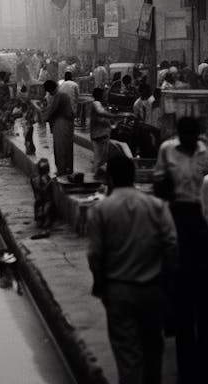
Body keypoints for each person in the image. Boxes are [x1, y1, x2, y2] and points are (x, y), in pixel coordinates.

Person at [87, 152, 178, 384]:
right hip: (153, 289)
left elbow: (95, 255)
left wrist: (100, 285)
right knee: (152, 352)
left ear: (110, 179)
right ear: (134, 176)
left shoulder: (101, 210)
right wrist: (167, 282)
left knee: (128, 357)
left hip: (119, 291)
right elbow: (171, 246)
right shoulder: (156, 206)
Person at [152, 116, 208, 383]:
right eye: (184, 136)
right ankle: (175, 323)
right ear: (179, 135)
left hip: (200, 217)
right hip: (175, 214)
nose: (188, 141)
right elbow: (159, 184)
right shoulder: (167, 150)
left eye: (192, 137)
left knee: (198, 281)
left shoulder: (204, 152)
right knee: (175, 274)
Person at [41, 79, 74, 176]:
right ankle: (67, 169)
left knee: (60, 148)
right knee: (67, 147)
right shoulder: (61, 94)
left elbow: (51, 111)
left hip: (61, 124)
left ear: (50, 90)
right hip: (66, 124)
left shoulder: (59, 96)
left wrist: (43, 115)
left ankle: (62, 170)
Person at [89, 87, 114, 179]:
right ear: (100, 95)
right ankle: (94, 179)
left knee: (99, 159)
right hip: (100, 135)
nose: (105, 96)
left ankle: (95, 178)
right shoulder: (96, 103)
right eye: (103, 94)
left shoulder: (99, 104)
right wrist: (115, 116)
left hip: (99, 134)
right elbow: (101, 112)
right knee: (99, 160)